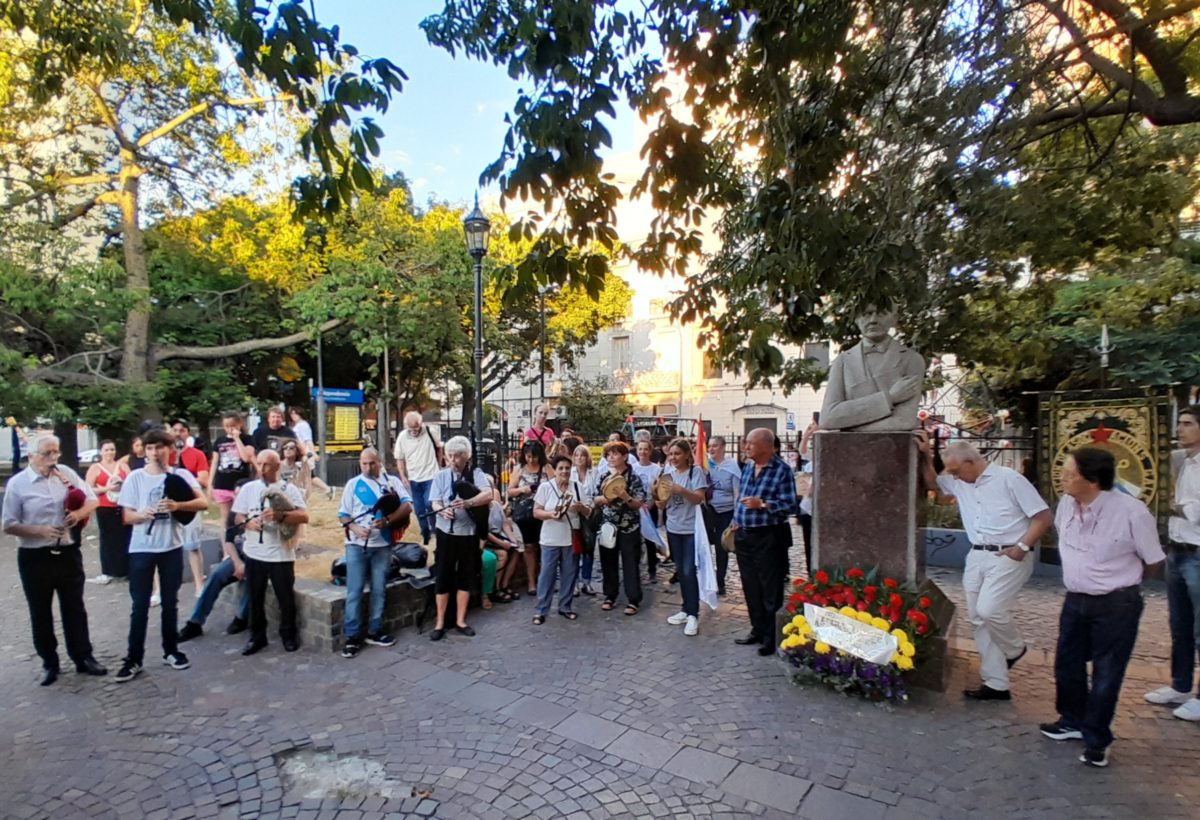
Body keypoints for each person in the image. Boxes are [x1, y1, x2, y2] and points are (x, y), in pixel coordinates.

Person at [1039, 448, 1165, 767]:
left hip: (1116, 602)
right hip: (1076, 598)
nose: (1063, 480)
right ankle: (1071, 720)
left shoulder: (1132, 512)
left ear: (1093, 480)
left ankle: (1097, 738)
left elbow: (1153, 561)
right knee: (1067, 663)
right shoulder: (1067, 503)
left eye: (1070, 475)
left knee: (1107, 671)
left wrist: (1123, 581)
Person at [918, 435, 1053, 701]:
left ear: (971, 461)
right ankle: (996, 683)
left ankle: (1014, 650)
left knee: (989, 609)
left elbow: (1043, 516)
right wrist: (924, 454)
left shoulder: (1009, 479)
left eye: (957, 471)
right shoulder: (961, 480)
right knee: (979, 620)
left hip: (1008, 554)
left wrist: (1021, 548)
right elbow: (934, 483)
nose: (954, 477)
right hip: (976, 554)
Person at [2, 434, 107, 685]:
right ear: (32, 456)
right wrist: (39, 531)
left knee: (74, 608)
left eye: (56, 453)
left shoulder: (66, 474)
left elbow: (92, 499)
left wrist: (78, 513)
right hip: (35, 555)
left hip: (67, 552)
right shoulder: (18, 484)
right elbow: (8, 524)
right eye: (47, 454)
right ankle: (50, 662)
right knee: (40, 611)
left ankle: (83, 657)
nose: (53, 458)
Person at [115, 428, 209, 683]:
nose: (154, 453)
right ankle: (133, 658)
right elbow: (126, 516)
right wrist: (143, 514)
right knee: (139, 606)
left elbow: (202, 503)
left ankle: (171, 651)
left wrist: (179, 506)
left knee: (171, 603)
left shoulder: (180, 475)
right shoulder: (135, 478)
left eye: (159, 447)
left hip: (171, 547)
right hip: (141, 549)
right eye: (150, 448)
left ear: (170, 450)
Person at [1145, 405, 1200, 720]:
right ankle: (1180, 686)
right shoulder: (1181, 462)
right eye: (1179, 424)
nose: (1180, 429)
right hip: (1177, 550)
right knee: (1179, 625)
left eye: (1188, 424)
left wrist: (1173, 506)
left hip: (1198, 552)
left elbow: (1196, 512)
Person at [337, 447, 412, 658]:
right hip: (356, 545)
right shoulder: (353, 485)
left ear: (379, 462)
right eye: (364, 463)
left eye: (372, 463)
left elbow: (407, 506)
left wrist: (388, 521)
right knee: (354, 591)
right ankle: (351, 636)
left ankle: (375, 630)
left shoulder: (392, 482)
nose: (368, 467)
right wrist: (355, 529)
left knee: (379, 589)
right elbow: (343, 515)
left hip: (382, 545)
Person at [730, 428, 798, 656]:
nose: (745, 446)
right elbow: (741, 498)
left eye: (750, 443)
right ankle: (757, 629)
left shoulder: (782, 470)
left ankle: (772, 636)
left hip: (769, 536)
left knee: (770, 588)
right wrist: (735, 520)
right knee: (751, 586)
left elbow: (790, 506)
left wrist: (763, 504)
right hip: (744, 535)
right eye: (745, 442)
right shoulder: (748, 467)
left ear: (767, 446)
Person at [233, 449, 308, 655]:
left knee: (285, 598)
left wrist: (280, 516)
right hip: (254, 552)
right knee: (255, 597)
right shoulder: (249, 488)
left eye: (266, 464)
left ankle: (288, 635)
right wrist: (248, 523)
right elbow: (238, 517)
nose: (261, 468)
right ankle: (257, 637)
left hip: (280, 554)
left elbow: (303, 516)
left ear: (276, 466)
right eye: (259, 463)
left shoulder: (288, 489)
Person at [820, 306, 926, 432]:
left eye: (881, 313)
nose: (873, 320)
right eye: (866, 314)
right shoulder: (842, 361)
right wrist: (890, 398)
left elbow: (903, 421)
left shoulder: (911, 360)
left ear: (894, 318)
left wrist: (850, 426)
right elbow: (828, 418)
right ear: (857, 320)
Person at [429, 436, 491, 641]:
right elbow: (435, 502)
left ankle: (461, 620)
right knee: (443, 576)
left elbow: (488, 494)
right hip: (446, 533)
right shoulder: (441, 476)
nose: (453, 460)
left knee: (466, 576)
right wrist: (441, 512)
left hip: (468, 534)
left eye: (457, 456)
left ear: (466, 457)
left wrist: (468, 503)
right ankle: (439, 622)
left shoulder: (476, 474)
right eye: (450, 455)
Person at [658, 438, 709, 636]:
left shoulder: (695, 472)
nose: (673, 458)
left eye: (677, 454)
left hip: (691, 529)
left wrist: (681, 490)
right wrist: (661, 497)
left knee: (689, 570)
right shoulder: (667, 474)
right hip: (673, 528)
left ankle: (693, 613)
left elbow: (698, 498)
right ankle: (685, 608)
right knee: (680, 569)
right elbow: (661, 504)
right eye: (670, 454)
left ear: (687, 454)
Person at [593, 441, 649, 616]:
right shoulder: (603, 476)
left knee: (630, 562)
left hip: (628, 526)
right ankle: (610, 595)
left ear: (624, 456)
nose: (611, 457)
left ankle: (633, 599)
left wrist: (625, 497)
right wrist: (605, 499)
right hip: (608, 525)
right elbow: (595, 498)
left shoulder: (633, 477)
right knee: (608, 561)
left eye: (615, 454)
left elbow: (639, 503)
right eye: (608, 454)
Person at [177, 512, 251, 642]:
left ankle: (241, 617)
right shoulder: (239, 505)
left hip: (260, 557)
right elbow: (229, 539)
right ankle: (195, 622)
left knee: (254, 577)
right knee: (217, 574)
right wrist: (237, 563)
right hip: (240, 553)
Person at [532, 455, 586, 624]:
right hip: (550, 538)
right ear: (554, 470)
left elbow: (589, 511)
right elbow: (536, 511)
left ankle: (565, 606)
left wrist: (580, 507)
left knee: (569, 574)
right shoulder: (545, 487)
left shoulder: (577, 487)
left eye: (567, 468)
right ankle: (541, 610)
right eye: (561, 468)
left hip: (571, 537)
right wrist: (550, 515)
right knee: (546, 575)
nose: (564, 471)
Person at [171, 419, 212, 595]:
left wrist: (184, 478)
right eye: (175, 430)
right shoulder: (165, 454)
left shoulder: (197, 455)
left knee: (193, 546)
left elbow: (203, 479)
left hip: (190, 504)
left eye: (182, 430)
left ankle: (198, 585)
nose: (178, 433)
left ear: (187, 433)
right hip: (168, 506)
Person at [393, 411, 445, 546]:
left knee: (430, 503)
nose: (415, 431)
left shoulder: (429, 431)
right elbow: (399, 458)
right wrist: (403, 476)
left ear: (421, 424)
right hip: (414, 478)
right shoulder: (402, 438)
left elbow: (439, 448)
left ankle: (435, 529)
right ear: (406, 427)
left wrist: (439, 466)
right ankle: (425, 533)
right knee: (419, 509)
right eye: (411, 429)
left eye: (417, 428)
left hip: (431, 475)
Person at [85, 439, 130, 583]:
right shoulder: (95, 468)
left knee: (125, 537)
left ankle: (126, 569)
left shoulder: (122, 465)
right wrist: (106, 489)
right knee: (107, 539)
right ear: (101, 452)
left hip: (122, 505)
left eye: (112, 449)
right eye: (107, 450)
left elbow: (131, 482)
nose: (110, 452)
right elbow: (88, 488)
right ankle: (108, 570)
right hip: (105, 506)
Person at [509, 440, 547, 596]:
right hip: (525, 514)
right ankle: (531, 582)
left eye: (534, 457)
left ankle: (545, 580)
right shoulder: (519, 469)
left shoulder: (546, 469)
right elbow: (510, 491)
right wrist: (522, 490)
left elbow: (555, 486)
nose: (531, 460)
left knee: (544, 548)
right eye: (528, 456)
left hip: (543, 513)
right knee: (529, 548)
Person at [706, 435, 740, 595]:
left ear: (723, 447)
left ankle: (720, 580)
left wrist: (736, 517)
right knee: (704, 545)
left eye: (715, 446)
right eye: (709, 446)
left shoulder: (731, 466)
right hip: (709, 509)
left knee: (722, 546)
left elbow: (736, 493)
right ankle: (706, 578)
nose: (711, 449)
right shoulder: (705, 464)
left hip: (726, 511)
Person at [632, 439, 666, 583]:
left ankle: (652, 569)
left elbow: (658, 490)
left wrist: (651, 503)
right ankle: (635, 569)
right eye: (640, 449)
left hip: (649, 508)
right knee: (634, 541)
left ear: (650, 451)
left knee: (650, 540)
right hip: (635, 507)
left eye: (646, 449)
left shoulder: (656, 469)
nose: (643, 452)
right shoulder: (632, 468)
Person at [569, 444, 599, 596]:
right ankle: (573, 582)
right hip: (574, 513)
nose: (579, 458)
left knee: (589, 547)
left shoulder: (594, 473)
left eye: (582, 455)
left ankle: (586, 581)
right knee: (574, 550)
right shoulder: (570, 473)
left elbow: (597, 493)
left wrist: (590, 507)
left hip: (589, 513)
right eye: (576, 455)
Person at [287, 406, 332, 498]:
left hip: (304, 453)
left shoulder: (303, 425)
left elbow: (308, 440)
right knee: (306, 476)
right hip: (299, 453)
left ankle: (303, 493)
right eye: (292, 414)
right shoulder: (297, 426)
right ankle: (326, 489)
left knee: (306, 475)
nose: (293, 416)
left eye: (295, 413)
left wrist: (313, 452)